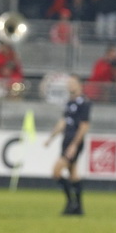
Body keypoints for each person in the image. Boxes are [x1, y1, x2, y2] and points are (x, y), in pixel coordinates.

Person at [44, 74, 90, 215]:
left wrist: (74, 145)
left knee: (56, 172)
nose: (69, 85)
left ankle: (71, 204)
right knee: (73, 175)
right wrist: (51, 138)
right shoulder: (69, 103)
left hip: (74, 143)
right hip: (66, 141)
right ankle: (78, 208)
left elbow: (84, 126)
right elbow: (63, 122)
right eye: (68, 83)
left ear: (79, 85)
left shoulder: (84, 103)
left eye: (72, 83)